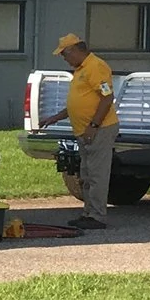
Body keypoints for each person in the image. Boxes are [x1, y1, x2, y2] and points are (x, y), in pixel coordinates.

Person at [42, 30, 118, 228]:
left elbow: (107, 97)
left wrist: (94, 125)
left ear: (74, 50)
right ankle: (88, 213)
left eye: (64, 54)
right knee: (85, 173)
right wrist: (56, 117)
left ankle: (98, 216)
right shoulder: (80, 70)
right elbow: (79, 102)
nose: (64, 59)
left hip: (99, 129)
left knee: (96, 174)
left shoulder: (96, 66)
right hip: (85, 131)